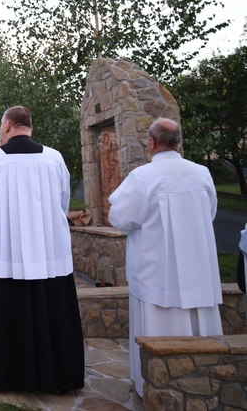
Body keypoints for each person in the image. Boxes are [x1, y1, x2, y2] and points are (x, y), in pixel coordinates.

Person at [0, 105, 84, 394]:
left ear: (6, 125)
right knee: (51, 311)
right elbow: (62, 201)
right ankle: (57, 374)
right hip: (48, 252)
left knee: (7, 313)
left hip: (4, 252)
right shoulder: (54, 158)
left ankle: (7, 374)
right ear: (29, 126)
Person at [108, 117, 222, 397]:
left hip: (157, 272)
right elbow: (211, 213)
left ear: (151, 143)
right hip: (199, 269)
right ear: (178, 141)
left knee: (157, 328)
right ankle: (207, 384)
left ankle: (154, 386)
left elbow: (121, 217)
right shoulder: (202, 173)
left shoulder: (143, 177)